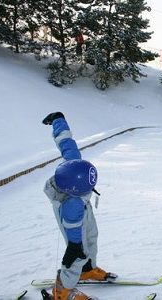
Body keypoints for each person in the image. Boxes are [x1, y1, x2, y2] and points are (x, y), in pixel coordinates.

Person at [42, 112, 116, 300]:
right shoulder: (72, 205)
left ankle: (87, 270)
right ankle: (63, 289)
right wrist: (74, 247)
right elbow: (74, 235)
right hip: (73, 220)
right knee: (78, 253)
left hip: (84, 208)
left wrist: (58, 120)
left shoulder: (72, 162)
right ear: (75, 189)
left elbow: (66, 142)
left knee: (92, 236)